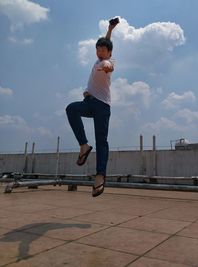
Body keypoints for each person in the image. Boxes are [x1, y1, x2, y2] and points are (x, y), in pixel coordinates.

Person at [66, 18, 119, 197]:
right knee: (71, 109)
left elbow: (109, 65)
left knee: (101, 140)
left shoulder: (106, 63)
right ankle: (84, 146)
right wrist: (110, 29)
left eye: (103, 50)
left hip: (102, 106)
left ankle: (100, 176)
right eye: (97, 49)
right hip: (89, 103)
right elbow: (106, 42)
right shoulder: (98, 59)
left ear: (109, 53)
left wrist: (107, 67)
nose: (99, 52)